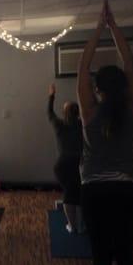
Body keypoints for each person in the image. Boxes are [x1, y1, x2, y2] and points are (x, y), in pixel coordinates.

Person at [77, 0, 133, 265]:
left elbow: (82, 68)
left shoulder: (89, 112)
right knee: (126, 255)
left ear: (97, 89)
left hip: (96, 192)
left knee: (101, 256)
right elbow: (130, 63)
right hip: (128, 190)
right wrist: (115, 28)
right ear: (124, 88)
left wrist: (99, 29)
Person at [47, 83, 83, 233]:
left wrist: (51, 95)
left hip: (63, 165)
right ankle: (76, 226)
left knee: (70, 194)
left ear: (65, 113)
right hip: (77, 164)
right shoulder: (83, 125)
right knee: (76, 194)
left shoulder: (59, 125)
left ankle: (73, 225)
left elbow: (50, 112)